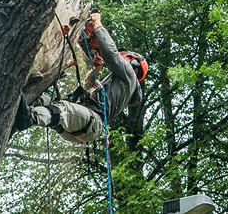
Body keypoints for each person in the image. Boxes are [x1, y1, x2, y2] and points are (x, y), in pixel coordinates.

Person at [13, 12, 148, 143]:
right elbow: (87, 89)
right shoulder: (120, 85)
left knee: (63, 108)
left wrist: (98, 24)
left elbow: (111, 54)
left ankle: (29, 118)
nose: (122, 58)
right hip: (81, 122)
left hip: (90, 120)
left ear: (134, 62)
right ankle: (18, 108)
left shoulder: (130, 74)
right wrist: (96, 69)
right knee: (44, 101)